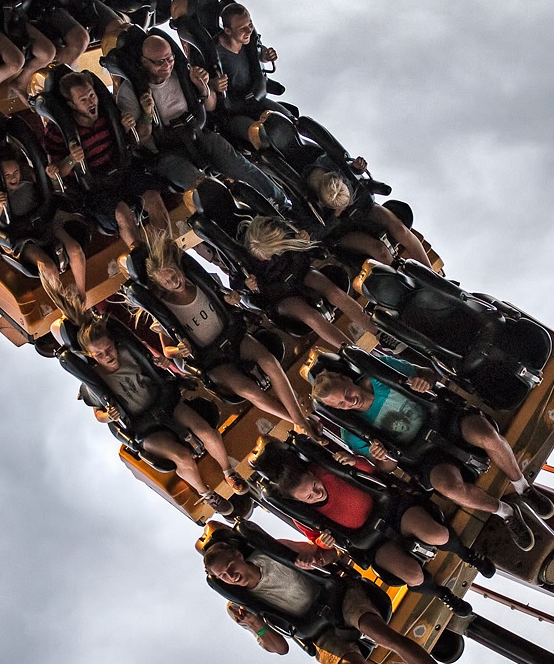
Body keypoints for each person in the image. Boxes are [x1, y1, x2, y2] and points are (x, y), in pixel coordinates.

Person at [203, 533, 475, 664]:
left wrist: (314, 556)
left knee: (382, 634)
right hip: (315, 632)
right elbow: (280, 648)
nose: (231, 576)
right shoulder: (240, 606)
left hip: (337, 599)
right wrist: (255, 625)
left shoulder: (271, 552)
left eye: (230, 568)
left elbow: (330, 555)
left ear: (239, 556)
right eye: (224, 576)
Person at [310, 355, 553, 550]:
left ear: (347, 378)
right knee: (450, 488)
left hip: (443, 420)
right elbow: (385, 469)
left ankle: (523, 487)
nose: (348, 402)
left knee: (487, 436)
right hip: (422, 455)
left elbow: (429, 372)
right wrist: (381, 456)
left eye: (345, 394)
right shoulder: (351, 433)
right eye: (340, 405)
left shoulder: (379, 371)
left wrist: (423, 380)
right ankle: (506, 512)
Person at [251, 438, 494, 611]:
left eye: (314, 486)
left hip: (391, 511)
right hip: (370, 541)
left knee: (436, 535)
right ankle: (444, 595)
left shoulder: (326, 469)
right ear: (297, 500)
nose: (316, 494)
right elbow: (318, 541)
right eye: (308, 497)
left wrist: (353, 461)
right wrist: (324, 542)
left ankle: (467, 554)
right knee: (412, 574)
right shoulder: (301, 515)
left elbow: (371, 470)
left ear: (314, 475)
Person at [137, 232, 312, 434]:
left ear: (178, 267)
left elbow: (225, 298)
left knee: (269, 362)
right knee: (248, 390)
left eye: (174, 274)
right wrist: (179, 349)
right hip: (211, 358)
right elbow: (167, 351)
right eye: (167, 282)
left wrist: (231, 298)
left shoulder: (201, 281)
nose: (174, 282)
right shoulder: (164, 311)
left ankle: (299, 418)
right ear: (160, 286)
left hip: (231, 337)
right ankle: (298, 421)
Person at [76, 316, 248, 511]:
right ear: (90, 355)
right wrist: (108, 415)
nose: (106, 355)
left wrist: (162, 364)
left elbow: (154, 365)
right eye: (99, 354)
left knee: (207, 433)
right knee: (182, 456)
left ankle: (229, 471)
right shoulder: (92, 382)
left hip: (165, 404)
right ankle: (207, 495)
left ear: (114, 343)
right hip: (144, 427)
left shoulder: (129, 353)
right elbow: (98, 414)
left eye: (108, 348)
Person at [116, 35, 290, 209]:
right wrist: (147, 114)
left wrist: (203, 87)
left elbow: (210, 107)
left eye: (170, 59)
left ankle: (281, 204)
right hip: (166, 151)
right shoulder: (130, 91)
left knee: (240, 166)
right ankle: (236, 223)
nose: (167, 66)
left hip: (197, 133)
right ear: (144, 62)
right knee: (205, 188)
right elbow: (139, 140)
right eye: (159, 62)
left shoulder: (182, 73)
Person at [42, 71, 171, 248]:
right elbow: (56, 175)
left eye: (92, 95)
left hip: (120, 172)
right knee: (122, 212)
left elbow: (133, 143)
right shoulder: (57, 132)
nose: (91, 102)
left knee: (153, 196)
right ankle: (142, 259)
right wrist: (71, 159)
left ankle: (167, 251)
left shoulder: (107, 112)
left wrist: (126, 129)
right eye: (84, 100)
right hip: (92, 189)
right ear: (71, 104)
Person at [237, 215, 378, 349]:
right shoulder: (242, 261)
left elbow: (315, 236)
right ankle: (354, 352)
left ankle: (378, 332)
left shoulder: (283, 228)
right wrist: (247, 285)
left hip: (300, 274)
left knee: (336, 294)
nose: (271, 257)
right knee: (312, 317)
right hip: (280, 296)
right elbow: (238, 289)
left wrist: (305, 237)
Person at [0, 151, 88, 298]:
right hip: (22, 236)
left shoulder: (26, 172)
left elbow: (50, 190)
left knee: (75, 249)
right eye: (8, 176)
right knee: (48, 267)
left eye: (15, 172)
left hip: (44, 221)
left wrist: (52, 177)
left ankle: (82, 295)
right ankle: (64, 304)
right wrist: (0, 206)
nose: (14, 178)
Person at [306, 161, 433, 269]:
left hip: (363, 207)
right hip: (341, 229)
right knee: (379, 250)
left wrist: (357, 168)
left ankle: (433, 279)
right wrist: (335, 216)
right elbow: (316, 234)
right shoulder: (309, 203)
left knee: (401, 230)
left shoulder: (333, 166)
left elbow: (353, 171)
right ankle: (403, 281)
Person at [211, 2, 293, 143]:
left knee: (290, 122)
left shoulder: (248, 42)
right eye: (242, 28)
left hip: (256, 98)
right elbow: (205, 81)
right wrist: (213, 84)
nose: (249, 31)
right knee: (260, 137)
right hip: (234, 112)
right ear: (228, 31)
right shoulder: (215, 54)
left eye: (250, 25)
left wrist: (265, 56)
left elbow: (257, 53)